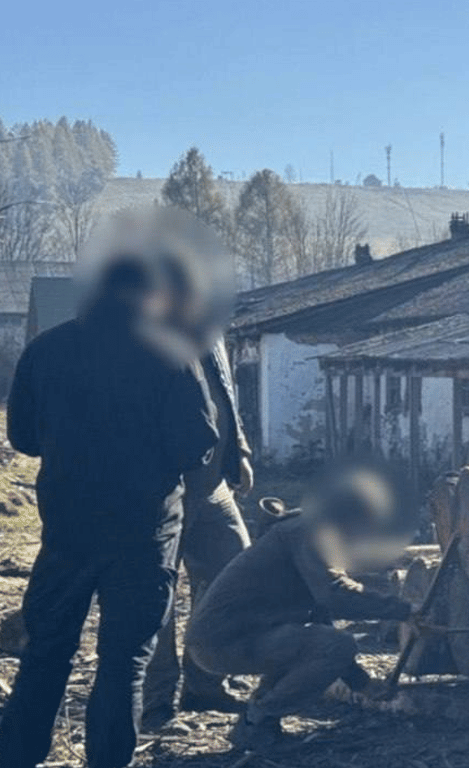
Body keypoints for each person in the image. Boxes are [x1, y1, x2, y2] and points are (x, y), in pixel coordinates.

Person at [0, 255, 217, 768]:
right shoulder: (170, 352)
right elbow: (197, 444)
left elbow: (23, 437)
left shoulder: (46, 349)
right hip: (145, 533)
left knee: (45, 654)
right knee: (124, 663)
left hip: (68, 530)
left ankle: (16, 758)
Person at [184, 467, 414, 751]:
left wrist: (361, 683)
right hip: (222, 642)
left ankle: (255, 724)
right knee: (337, 644)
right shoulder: (311, 532)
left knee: (320, 643)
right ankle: (259, 721)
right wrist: (404, 610)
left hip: (228, 638)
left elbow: (320, 621)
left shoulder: (308, 530)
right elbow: (335, 595)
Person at [142, 253, 256, 727]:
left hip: (212, 486)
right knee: (157, 594)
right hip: (159, 489)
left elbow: (224, 393)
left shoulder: (209, 329)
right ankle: (155, 699)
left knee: (235, 572)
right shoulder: (140, 337)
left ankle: (205, 683)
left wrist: (240, 451)